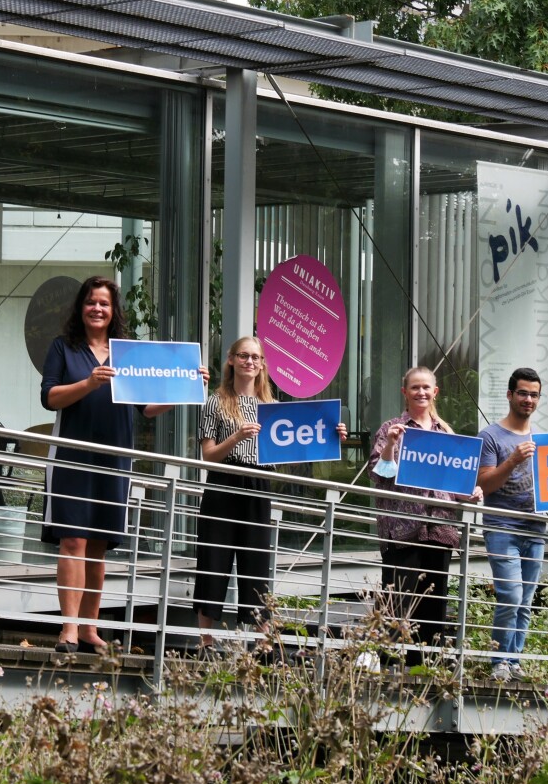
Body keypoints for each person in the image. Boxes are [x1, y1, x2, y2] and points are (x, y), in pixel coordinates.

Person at [41, 276, 204, 654]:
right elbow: (49, 397)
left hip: (115, 458)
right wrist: (89, 384)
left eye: (104, 304)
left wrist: (185, 388)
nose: (96, 309)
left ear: (114, 312)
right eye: (90, 302)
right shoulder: (63, 348)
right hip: (71, 456)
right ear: (80, 308)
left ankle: (89, 628)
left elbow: (146, 408)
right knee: (73, 540)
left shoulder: (126, 354)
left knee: (98, 546)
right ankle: (67, 628)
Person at [193, 335, 346, 660]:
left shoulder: (273, 408)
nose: (250, 362)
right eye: (244, 356)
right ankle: (205, 642)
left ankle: (263, 643)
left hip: (258, 485)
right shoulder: (214, 402)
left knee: (256, 562)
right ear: (232, 360)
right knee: (214, 560)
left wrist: (332, 434)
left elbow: (298, 447)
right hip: (223, 482)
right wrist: (236, 436)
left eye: (256, 357)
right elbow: (207, 456)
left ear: (263, 365)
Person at [478, 367, 548, 682]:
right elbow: (484, 485)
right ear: (510, 395)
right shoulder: (490, 436)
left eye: (534, 394)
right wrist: (512, 460)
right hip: (501, 527)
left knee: (525, 600)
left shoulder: (544, 442)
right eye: (523, 393)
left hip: (536, 529)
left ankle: (514, 661)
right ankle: (499, 661)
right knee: (510, 595)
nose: (528, 399)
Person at [368, 366, 481, 668]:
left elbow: (454, 486)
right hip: (403, 531)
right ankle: (391, 667)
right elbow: (379, 475)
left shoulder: (446, 433)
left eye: (426, 387)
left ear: (435, 392)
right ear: (404, 392)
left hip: (439, 530)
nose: (421, 392)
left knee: (433, 604)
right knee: (398, 603)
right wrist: (391, 443)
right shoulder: (392, 427)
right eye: (414, 387)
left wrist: (471, 493)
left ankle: (423, 668)